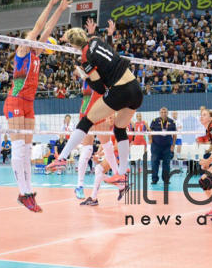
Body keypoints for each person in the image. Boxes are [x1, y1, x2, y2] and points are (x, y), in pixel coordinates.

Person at [47, 25, 144, 187]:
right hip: (135, 89)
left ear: (73, 45)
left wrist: (85, 76)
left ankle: (62, 158)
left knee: (86, 121)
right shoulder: (96, 40)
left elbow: (99, 87)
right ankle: (121, 173)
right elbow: (109, 53)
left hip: (120, 90)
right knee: (119, 129)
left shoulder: (85, 58)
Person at [3, 0, 70, 212]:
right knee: (19, 147)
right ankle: (22, 192)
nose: (38, 39)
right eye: (34, 38)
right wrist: (50, 4)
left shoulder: (37, 53)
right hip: (15, 101)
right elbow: (39, 27)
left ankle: (29, 191)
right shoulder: (23, 50)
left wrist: (60, 10)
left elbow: (47, 29)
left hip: (29, 104)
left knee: (28, 148)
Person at [73, 18, 119, 200]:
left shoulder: (103, 73)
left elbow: (108, 54)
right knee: (86, 149)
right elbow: (87, 50)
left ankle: (118, 176)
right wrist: (91, 34)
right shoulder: (87, 66)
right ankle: (79, 185)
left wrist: (109, 36)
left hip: (100, 109)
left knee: (106, 144)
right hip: (86, 109)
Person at [149, 107, 176, 185]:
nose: (163, 113)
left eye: (165, 112)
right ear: (160, 113)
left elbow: (175, 135)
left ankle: (166, 179)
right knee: (154, 162)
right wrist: (150, 140)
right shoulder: (155, 121)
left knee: (166, 163)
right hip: (155, 146)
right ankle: (154, 179)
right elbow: (150, 131)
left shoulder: (172, 122)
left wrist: (173, 146)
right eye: (162, 112)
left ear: (167, 113)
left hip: (167, 146)